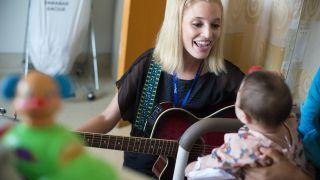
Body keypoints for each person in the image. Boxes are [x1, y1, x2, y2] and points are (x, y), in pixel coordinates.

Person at [77, 0, 244, 178]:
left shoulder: (225, 76)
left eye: (215, 25)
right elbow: (106, 118)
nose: (208, 33)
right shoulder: (149, 67)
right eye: (197, 24)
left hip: (195, 173)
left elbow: (265, 116)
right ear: (176, 24)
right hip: (142, 169)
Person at [185, 71, 311, 179]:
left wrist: (192, 167)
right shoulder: (291, 121)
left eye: (238, 95)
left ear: (245, 116)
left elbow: (217, 160)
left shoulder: (243, 145)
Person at [2, 71, 117, 180]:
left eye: (47, 95)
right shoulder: (10, 135)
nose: (38, 101)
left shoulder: (65, 141)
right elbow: (106, 118)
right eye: (29, 95)